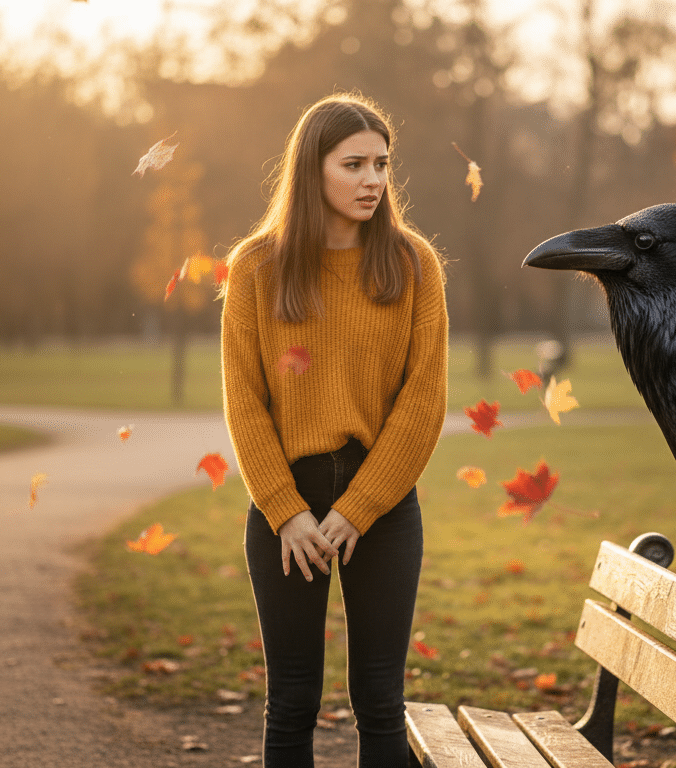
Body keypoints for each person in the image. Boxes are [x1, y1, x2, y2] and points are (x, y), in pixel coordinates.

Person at [219, 93, 448, 767]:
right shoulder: (256, 268)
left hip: (381, 507)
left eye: (382, 163)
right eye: (354, 164)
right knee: (291, 702)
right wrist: (287, 512)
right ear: (311, 170)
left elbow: (423, 402)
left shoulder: (412, 265)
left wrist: (359, 508)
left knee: (381, 701)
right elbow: (245, 403)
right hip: (285, 508)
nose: (373, 179)